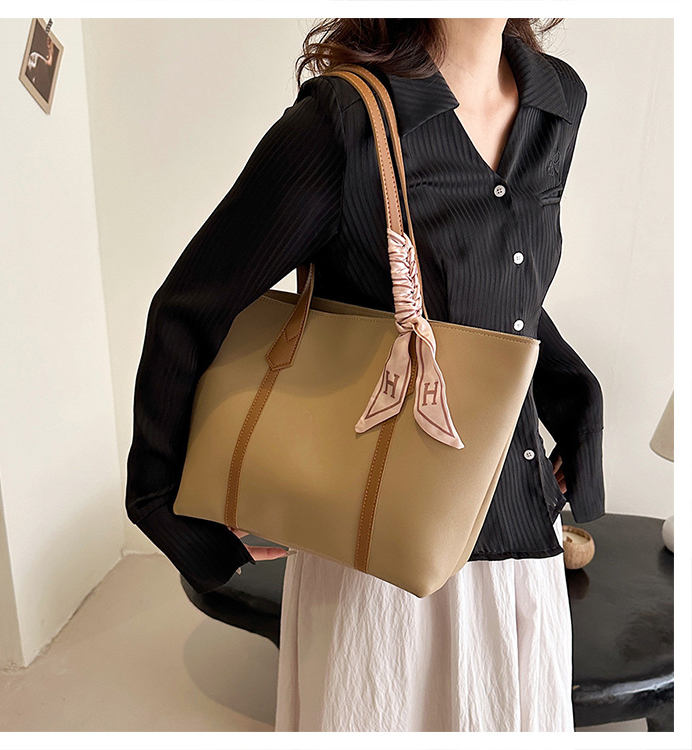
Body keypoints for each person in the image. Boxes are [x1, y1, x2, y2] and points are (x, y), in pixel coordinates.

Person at [125, 18, 605, 732]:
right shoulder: (341, 124)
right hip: (377, 561)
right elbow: (190, 305)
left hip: (520, 544)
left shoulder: (557, 102)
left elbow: (509, 292)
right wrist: (164, 509)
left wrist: (580, 405)